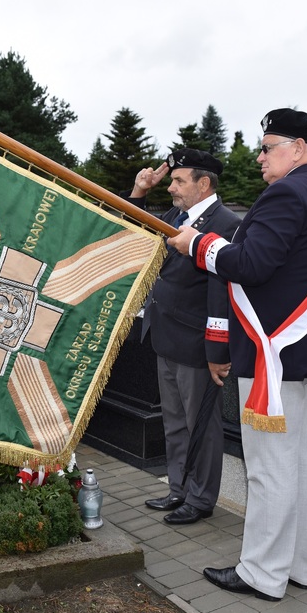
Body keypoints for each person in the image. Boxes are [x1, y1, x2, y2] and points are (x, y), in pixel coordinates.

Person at [169, 108, 307, 601]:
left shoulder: (288, 192)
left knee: (269, 466)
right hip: (306, 345)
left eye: (268, 147)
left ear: (299, 148)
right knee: (299, 462)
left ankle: (262, 573)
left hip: (274, 350)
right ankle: (296, 566)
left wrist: (197, 245)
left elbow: (253, 264)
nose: (260, 157)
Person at [128, 149, 241, 526]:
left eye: (179, 181)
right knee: (174, 420)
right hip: (165, 335)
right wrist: (140, 191)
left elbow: (220, 292)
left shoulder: (225, 224)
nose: (172, 187)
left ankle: (201, 498)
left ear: (203, 183)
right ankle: (178, 486)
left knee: (201, 426)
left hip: (196, 342)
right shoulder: (177, 216)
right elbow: (137, 235)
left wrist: (216, 350)